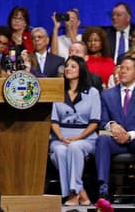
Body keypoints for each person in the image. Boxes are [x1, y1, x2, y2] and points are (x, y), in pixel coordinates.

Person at [95, 55, 135, 201]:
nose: (122, 71)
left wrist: (130, 135)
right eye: (121, 68)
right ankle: (103, 188)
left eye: (127, 69)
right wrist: (111, 125)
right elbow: (102, 121)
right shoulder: (107, 95)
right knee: (102, 139)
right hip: (115, 139)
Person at [50, 55, 100, 206]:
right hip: (61, 137)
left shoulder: (92, 93)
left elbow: (94, 122)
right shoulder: (57, 91)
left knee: (74, 147)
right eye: (67, 66)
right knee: (59, 151)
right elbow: (54, 120)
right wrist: (60, 137)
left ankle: (73, 194)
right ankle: (80, 191)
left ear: (81, 70)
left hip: (86, 136)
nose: (68, 69)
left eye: (73, 66)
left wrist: (78, 138)